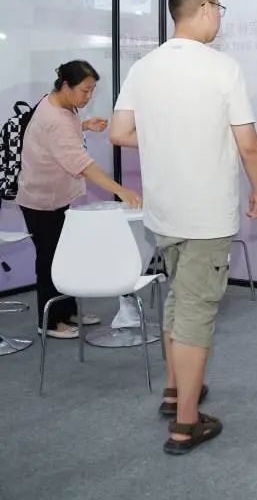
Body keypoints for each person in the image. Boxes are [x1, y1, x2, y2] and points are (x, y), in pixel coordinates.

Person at [109, 0, 257, 456]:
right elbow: (247, 143)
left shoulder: (144, 68)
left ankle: (176, 390)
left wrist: (165, 137)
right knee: (197, 310)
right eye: (218, 8)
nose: (219, 18)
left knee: (178, 299)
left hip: (164, 212)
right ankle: (185, 425)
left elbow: (118, 132)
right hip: (205, 214)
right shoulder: (222, 68)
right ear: (205, 7)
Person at [17, 61, 142, 339]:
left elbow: (56, 140)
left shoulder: (60, 105)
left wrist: (83, 125)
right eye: (85, 90)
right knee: (50, 259)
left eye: (92, 90)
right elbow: (82, 164)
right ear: (65, 85)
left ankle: (67, 311)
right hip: (41, 200)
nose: (88, 96)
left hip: (56, 194)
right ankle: (49, 322)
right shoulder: (55, 118)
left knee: (64, 256)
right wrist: (120, 190)